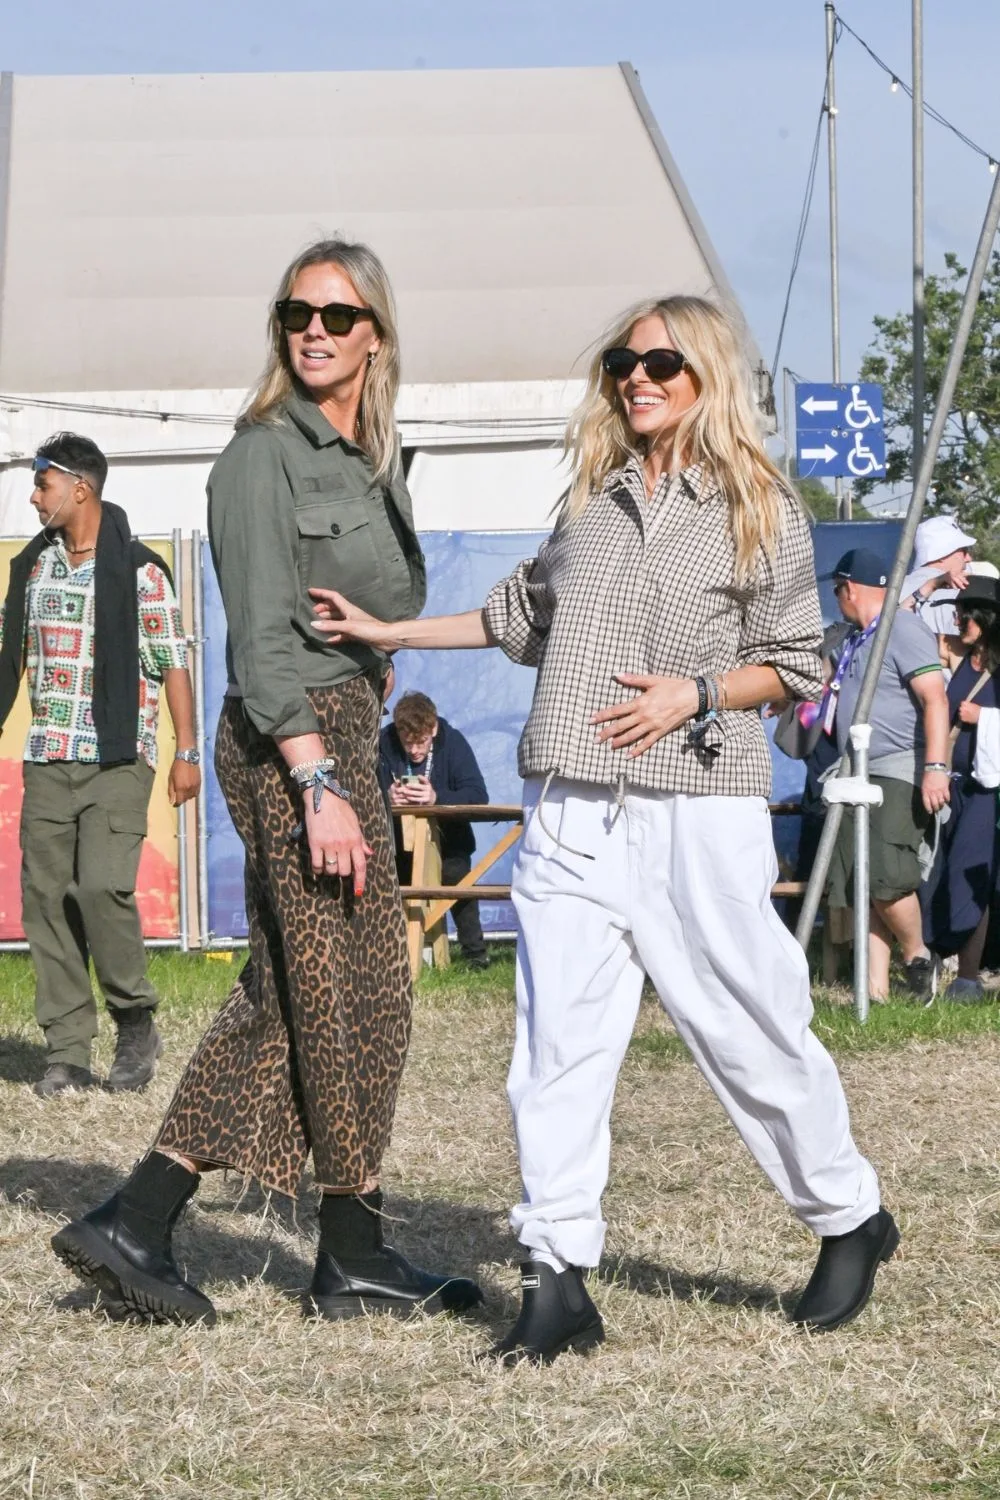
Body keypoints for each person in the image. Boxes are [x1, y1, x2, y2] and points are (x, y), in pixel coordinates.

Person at [310, 294, 898, 1363]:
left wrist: (697, 693)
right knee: (553, 1053)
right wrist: (389, 627)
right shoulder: (594, 498)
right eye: (624, 361)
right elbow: (516, 617)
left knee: (747, 1034)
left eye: (661, 362)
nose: (636, 377)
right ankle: (557, 1275)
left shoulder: (759, 505)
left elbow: (800, 664)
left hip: (697, 804)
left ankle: (847, 1214)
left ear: (705, 374)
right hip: (571, 810)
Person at [50, 238, 480, 1326]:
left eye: (338, 315)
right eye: (298, 313)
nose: (316, 331)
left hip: (343, 718)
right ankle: (349, 1250)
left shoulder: (364, 459)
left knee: (300, 994)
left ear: (375, 332)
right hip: (295, 738)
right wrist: (318, 779)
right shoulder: (260, 458)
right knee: (353, 991)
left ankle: (142, 1219)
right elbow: (259, 642)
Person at [0, 433, 199, 1098]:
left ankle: (134, 1019)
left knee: (101, 889)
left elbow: (173, 664)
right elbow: (17, 661)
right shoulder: (34, 570)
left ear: (79, 487)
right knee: (47, 900)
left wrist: (187, 752)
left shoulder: (141, 572)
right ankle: (67, 1050)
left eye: (43, 483)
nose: (34, 497)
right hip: (50, 758)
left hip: (118, 757)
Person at [824, 548, 950, 1002]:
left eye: (837, 589)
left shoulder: (902, 628)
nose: (836, 598)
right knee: (862, 881)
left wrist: (935, 768)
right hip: (857, 770)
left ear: (851, 588)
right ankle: (873, 993)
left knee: (885, 876)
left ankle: (918, 957)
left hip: (898, 768)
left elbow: (936, 699)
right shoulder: (857, 637)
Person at [921, 576, 1000, 999]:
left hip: (988, 792)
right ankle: (943, 968)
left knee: (972, 876)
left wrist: (981, 719)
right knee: (938, 873)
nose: (958, 619)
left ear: (984, 618)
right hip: (953, 785)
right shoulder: (959, 659)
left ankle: (968, 977)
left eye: (965, 613)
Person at [379, 690, 490, 968]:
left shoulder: (453, 742)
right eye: (408, 743)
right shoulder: (382, 742)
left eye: (421, 742)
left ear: (434, 728)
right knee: (386, 882)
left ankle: (475, 956)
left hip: (450, 840)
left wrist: (436, 798)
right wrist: (385, 796)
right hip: (396, 841)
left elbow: (477, 795)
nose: (414, 750)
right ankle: (391, 958)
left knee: (457, 878)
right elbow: (357, 791)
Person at [901, 515, 976, 624]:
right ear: (941, 555)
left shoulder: (893, 590)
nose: (969, 558)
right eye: (964, 551)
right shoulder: (963, 593)